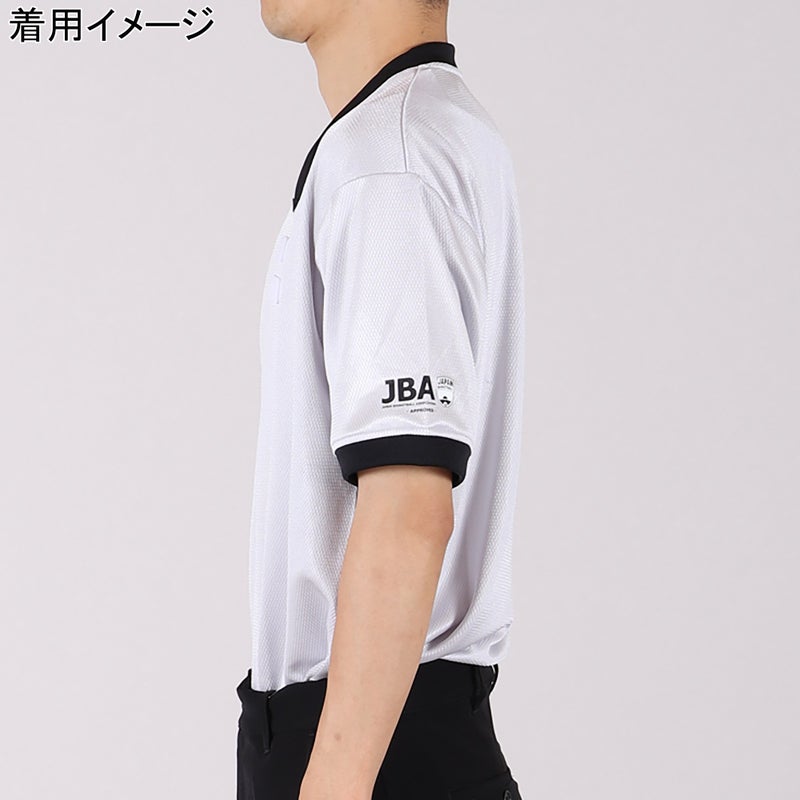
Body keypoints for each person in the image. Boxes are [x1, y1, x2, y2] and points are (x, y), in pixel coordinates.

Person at [236, 1, 526, 798]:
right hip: (394, 733)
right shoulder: (425, 132)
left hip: (370, 749)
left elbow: (408, 511)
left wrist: (334, 780)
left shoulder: (388, 160)